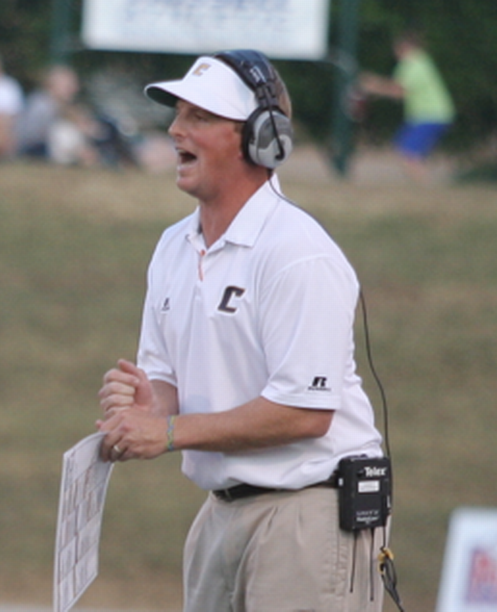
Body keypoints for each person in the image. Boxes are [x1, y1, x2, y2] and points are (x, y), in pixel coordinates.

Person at [96, 50, 389, 611]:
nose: (176, 129)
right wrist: (148, 406)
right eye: (178, 114)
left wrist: (171, 432)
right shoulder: (171, 247)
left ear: (261, 139)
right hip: (220, 512)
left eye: (200, 117)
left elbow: (305, 411)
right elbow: (165, 383)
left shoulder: (298, 253)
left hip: (309, 512)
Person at [359, 29, 455, 182]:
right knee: (406, 150)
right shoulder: (420, 61)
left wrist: (373, 85)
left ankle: (425, 189)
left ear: (404, 47)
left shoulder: (413, 64)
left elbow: (398, 91)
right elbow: (397, 89)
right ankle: (423, 186)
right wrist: (376, 87)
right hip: (425, 115)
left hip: (430, 115)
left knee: (408, 153)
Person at [14, 65, 101, 167]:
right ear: (52, 85)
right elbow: (41, 134)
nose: (74, 89)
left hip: (46, 148)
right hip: (33, 149)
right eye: (69, 85)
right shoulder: (40, 103)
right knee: (63, 131)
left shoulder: (60, 104)